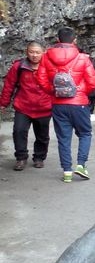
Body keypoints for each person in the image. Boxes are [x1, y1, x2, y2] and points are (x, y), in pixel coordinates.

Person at [36, 27, 95, 183]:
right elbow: (94, 82)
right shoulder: (83, 58)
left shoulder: (46, 57)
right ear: (74, 41)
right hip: (79, 104)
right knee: (85, 134)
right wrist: (80, 90)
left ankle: (66, 172)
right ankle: (81, 165)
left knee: (63, 138)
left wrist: (54, 91)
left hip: (58, 105)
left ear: (58, 40)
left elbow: (41, 79)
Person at [0, 42, 52, 170]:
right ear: (26, 52)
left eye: (37, 52)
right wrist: (3, 103)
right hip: (23, 106)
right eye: (31, 52)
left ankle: (39, 158)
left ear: (43, 52)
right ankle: (21, 158)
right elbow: (9, 85)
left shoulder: (50, 67)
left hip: (44, 106)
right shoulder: (19, 66)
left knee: (42, 135)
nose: (34, 55)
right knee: (18, 131)